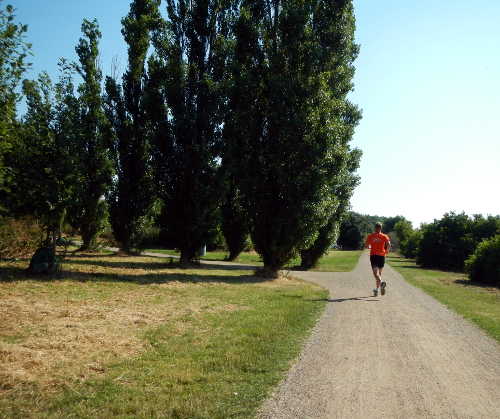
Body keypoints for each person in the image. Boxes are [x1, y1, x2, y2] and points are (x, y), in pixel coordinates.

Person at [365, 222, 391, 296]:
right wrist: (387, 250)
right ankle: (377, 289)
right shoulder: (384, 236)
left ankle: (381, 283)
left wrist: (370, 247)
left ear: (375, 228)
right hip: (382, 256)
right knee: (379, 274)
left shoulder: (370, 236)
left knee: (375, 274)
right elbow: (389, 244)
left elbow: (366, 245)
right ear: (381, 228)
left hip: (374, 255)